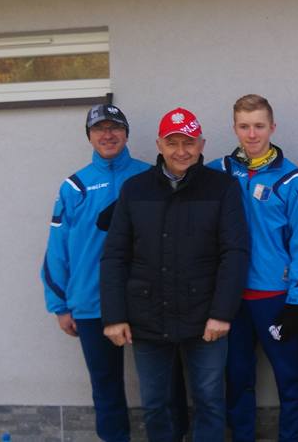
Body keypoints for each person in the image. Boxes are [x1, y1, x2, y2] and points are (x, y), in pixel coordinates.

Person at [101, 106, 250, 442]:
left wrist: (222, 313)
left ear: (201, 144)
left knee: (210, 400)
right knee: (156, 404)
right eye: (172, 143)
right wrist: (114, 316)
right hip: (147, 317)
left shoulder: (222, 188)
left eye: (189, 142)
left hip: (206, 318)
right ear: (159, 145)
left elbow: (235, 253)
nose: (181, 151)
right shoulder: (135, 189)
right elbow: (114, 256)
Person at [207, 94, 298, 442]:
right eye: (244, 126)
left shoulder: (294, 180)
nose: (252, 134)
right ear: (234, 128)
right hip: (230, 298)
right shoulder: (216, 172)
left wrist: (295, 301)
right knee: (237, 377)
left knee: (289, 379)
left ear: (272, 127)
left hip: (275, 297)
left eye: (259, 125)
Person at [40, 104, 150, 442]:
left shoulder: (149, 177)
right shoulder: (75, 187)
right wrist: (60, 305)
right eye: (99, 129)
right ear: (89, 136)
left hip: (145, 299)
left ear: (126, 133)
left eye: (114, 127)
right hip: (90, 302)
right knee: (106, 386)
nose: (108, 135)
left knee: (161, 385)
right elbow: (57, 249)